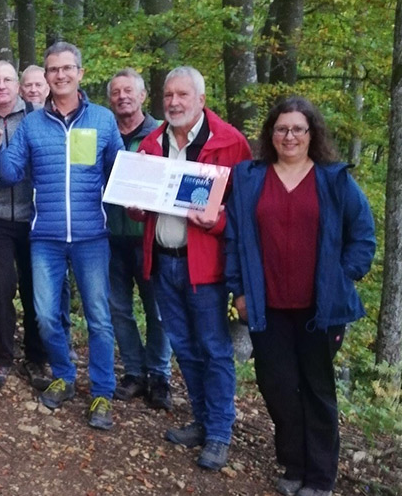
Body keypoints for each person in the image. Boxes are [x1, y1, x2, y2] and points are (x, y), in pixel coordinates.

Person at [225, 97, 375, 496]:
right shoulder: (249, 177)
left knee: (317, 389)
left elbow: (362, 237)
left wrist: (341, 278)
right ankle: (293, 463)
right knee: (276, 386)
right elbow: (234, 238)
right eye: (281, 129)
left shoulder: (334, 179)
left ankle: (321, 477)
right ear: (270, 134)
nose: (289, 136)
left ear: (312, 134)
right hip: (265, 304)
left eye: (297, 129)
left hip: (319, 310)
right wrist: (237, 290)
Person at [132, 66, 252, 471]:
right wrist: (136, 207)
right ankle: (201, 421)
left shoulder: (230, 144)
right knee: (183, 347)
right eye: (168, 96)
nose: (174, 103)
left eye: (183, 95)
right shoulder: (152, 142)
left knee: (215, 350)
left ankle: (219, 432)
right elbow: (145, 203)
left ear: (201, 100)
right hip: (163, 261)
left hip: (206, 268)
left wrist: (215, 222)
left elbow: (247, 215)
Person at [0, 42, 122, 430]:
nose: (60, 75)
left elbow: (121, 171)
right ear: (46, 76)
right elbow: (11, 171)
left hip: (91, 236)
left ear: (81, 73)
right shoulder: (32, 123)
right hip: (46, 236)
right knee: (47, 315)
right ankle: (64, 376)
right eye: (53, 70)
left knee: (99, 318)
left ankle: (102, 390)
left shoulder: (103, 120)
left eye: (67, 68)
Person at [0, 61, 50, 390]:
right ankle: (1, 356)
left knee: (38, 290)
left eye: (7, 80)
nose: (1, 86)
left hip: (36, 217)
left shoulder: (38, 118)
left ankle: (37, 357)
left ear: (18, 86)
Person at [104, 68, 172, 409]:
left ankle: (159, 375)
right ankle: (133, 371)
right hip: (109, 236)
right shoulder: (103, 133)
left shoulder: (162, 136)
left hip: (150, 238)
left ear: (144, 96)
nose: (122, 97)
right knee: (118, 308)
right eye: (116, 92)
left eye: (129, 91)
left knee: (158, 311)